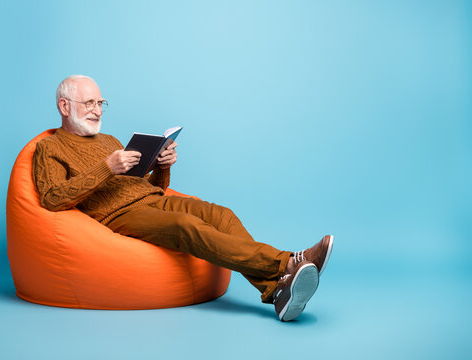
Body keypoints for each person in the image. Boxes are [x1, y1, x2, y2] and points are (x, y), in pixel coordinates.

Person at [32, 74, 334, 321]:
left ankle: (276, 292)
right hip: (120, 215)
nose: (97, 110)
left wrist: (162, 167)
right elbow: (52, 198)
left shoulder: (108, 140)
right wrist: (106, 167)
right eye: (89, 103)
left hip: (151, 198)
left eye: (101, 103)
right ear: (64, 105)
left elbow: (148, 186)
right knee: (186, 227)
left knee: (221, 214)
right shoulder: (50, 148)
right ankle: (289, 263)